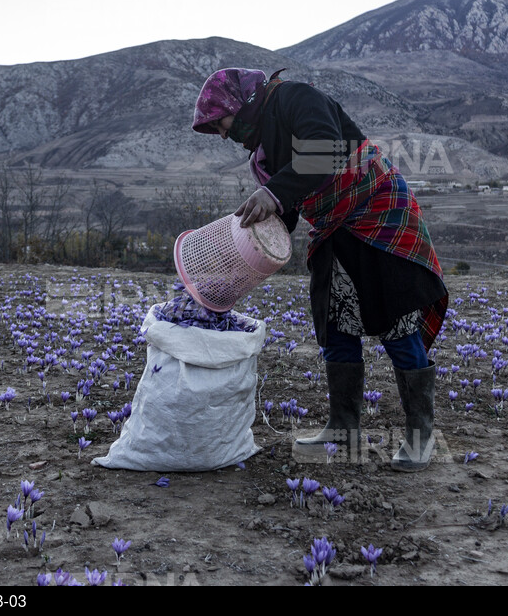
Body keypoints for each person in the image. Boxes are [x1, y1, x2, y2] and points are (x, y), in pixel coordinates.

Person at [192, 67, 448, 471]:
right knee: (335, 319)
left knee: (397, 319)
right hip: (332, 226)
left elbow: (325, 150)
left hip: (376, 213)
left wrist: (274, 193)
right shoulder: (260, 156)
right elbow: (289, 209)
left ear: (236, 105)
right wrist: (254, 234)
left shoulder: (293, 98)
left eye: (219, 123)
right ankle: (343, 429)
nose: (223, 134)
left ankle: (420, 435)